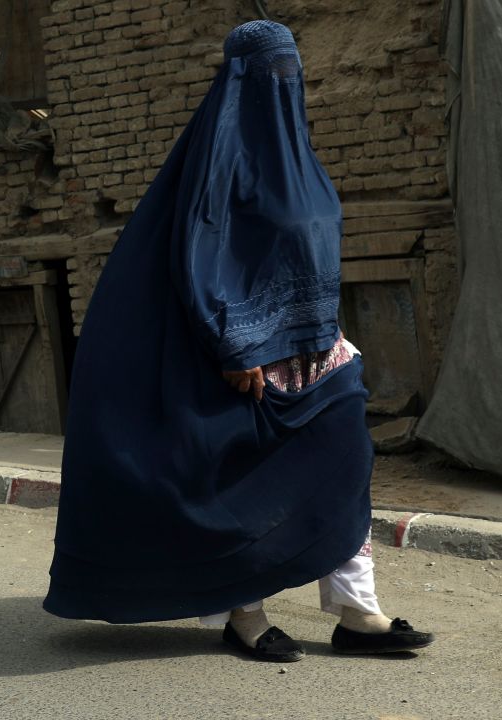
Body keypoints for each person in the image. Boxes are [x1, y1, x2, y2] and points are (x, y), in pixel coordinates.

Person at [43, 21, 433, 662]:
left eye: (292, 70)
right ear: (242, 77)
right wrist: (236, 344)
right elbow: (202, 251)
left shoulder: (298, 158)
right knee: (239, 487)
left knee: (346, 460)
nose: (286, 84)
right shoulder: (219, 163)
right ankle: (243, 613)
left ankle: (357, 612)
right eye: (273, 70)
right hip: (240, 356)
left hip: (316, 349)